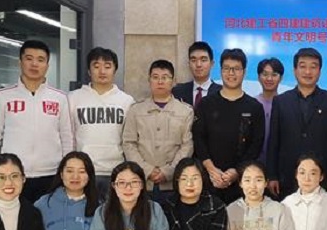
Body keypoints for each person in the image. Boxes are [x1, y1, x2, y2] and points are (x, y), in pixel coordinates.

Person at [0, 40, 73, 202]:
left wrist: (67, 171)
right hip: (13, 174)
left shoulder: (60, 98)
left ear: (47, 65)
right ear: (20, 62)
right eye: (29, 58)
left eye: (40, 60)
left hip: (51, 174)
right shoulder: (2, 97)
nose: (34, 64)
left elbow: (67, 138)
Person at [268, 48, 327, 199]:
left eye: (313, 66)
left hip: (321, 175)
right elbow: (273, 141)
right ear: (295, 70)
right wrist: (272, 175)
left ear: (320, 71)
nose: (308, 72)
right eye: (303, 66)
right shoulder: (280, 101)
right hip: (287, 175)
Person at [193, 49, 265, 204]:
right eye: (226, 68)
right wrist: (212, 170)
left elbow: (256, 145)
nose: (231, 73)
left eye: (236, 69)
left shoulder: (254, 107)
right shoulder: (206, 104)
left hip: (242, 182)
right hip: (209, 179)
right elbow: (199, 140)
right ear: (220, 71)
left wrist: (236, 171)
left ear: (244, 72)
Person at [122, 59, 194, 202]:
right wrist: (146, 170)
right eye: (155, 77)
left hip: (173, 183)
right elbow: (129, 143)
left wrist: (168, 171)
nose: (160, 82)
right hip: (141, 182)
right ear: (149, 80)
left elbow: (187, 146)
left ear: (173, 81)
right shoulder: (136, 110)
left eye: (165, 77)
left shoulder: (185, 111)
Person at [69, 47, 134, 200]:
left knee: (112, 213)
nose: (102, 71)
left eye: (107, 66)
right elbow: (68, 135)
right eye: (96, 66)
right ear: (89, 70)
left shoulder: (126, 101)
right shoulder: (73, 98)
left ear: (115, 70)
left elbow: (130, 139)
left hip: (115, 170)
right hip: (84, 171)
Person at [172, 41, 222, 108]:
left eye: (203, 60)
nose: (198, 65)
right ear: (189, 64)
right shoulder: (177, 91)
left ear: (212, 64)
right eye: (193, 60)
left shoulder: (222, 92)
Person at [255, 57, 284, 165]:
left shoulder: (286, 105)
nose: (269, 78)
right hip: (255, 164)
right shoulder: (252, 104)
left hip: (280, 163)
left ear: (281, 78)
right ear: (259, 77)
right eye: (265, 74)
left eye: (274, 75)